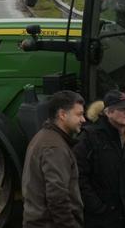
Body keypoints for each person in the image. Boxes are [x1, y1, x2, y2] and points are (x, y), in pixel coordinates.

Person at [74, 91, 125, 228]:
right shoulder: (90, 138)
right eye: (123, 109)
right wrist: (97, 207)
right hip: (103, 219)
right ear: (108, 112)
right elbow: (79, 177)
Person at [23, 90, 86, 228]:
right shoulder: (54, 147)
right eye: (79, 114)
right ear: (62, 114)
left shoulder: (43, 137)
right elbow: (57, 197)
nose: (83, 119)